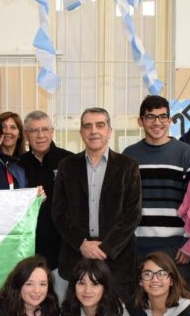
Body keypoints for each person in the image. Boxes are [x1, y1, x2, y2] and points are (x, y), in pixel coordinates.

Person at [53, 108, 141, 298]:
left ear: (109, 131)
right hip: (76, 257)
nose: (94, 131)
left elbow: (132, 214)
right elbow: (59, 213)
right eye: (88, 126)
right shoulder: (67, 166)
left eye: (100, 125)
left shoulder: (128, 166)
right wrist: (82, 244)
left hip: (116, 261)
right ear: (81, 133)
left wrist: (106, 248)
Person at [122, 95, 190, 286]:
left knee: (179, 305)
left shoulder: (186, 153)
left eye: (162, 117)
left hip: (177, 249)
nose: (157, 122)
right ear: (140, 121)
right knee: (141, 306)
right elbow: (122, 204)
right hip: (139, 247)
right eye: (150, 117)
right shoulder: (129, 155)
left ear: (170, 120)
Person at [18, 111, 71, 276]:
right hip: (28, 248)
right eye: (34, 131)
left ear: (52, 131)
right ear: (26, 135)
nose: (40, 135)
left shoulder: (69, 161)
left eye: (45, 129)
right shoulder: (18, 165)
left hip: (63, 250)